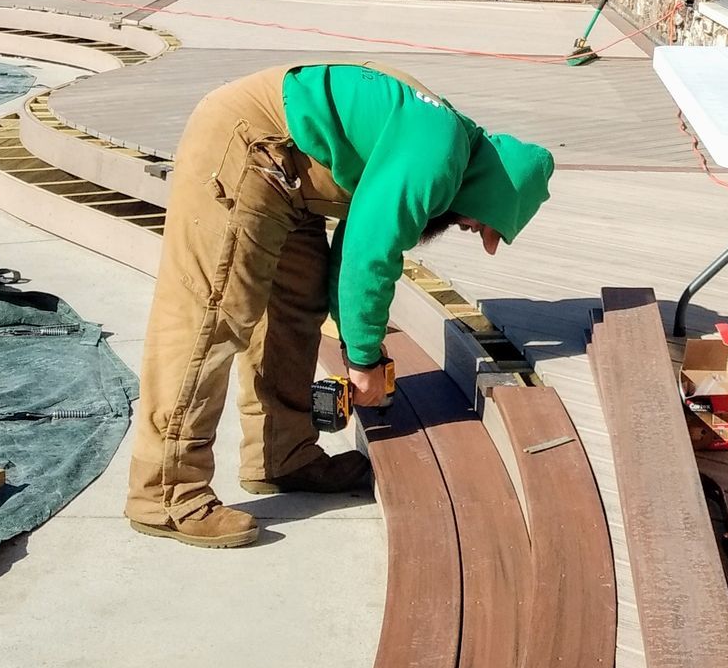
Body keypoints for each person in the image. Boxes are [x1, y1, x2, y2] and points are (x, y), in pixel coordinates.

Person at [124, 61, 554, 548]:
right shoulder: (437, 156)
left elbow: (351, 249)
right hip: (251, 147)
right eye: (484, 224)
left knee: (296, 308)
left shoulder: (443, 143)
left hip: (293, 174)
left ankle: (281, 456)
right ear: (492, 192)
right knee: (213, 318)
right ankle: (164, 493)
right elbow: (372, 254)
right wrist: (363, 360)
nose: (473, 230)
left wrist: (358, 346)